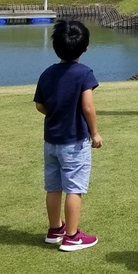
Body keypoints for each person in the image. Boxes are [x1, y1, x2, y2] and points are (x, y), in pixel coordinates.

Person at [34, 20, 103, 251]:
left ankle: (55, 229)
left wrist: (55, 112)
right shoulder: (84, 73)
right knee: (74, 187)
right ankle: (72, 236)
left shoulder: (47, 73)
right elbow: (88, 107)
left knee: (53, 187)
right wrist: (95, 133)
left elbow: (39, 105)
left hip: (51, 141)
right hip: (74, 142)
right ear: (85, 47)